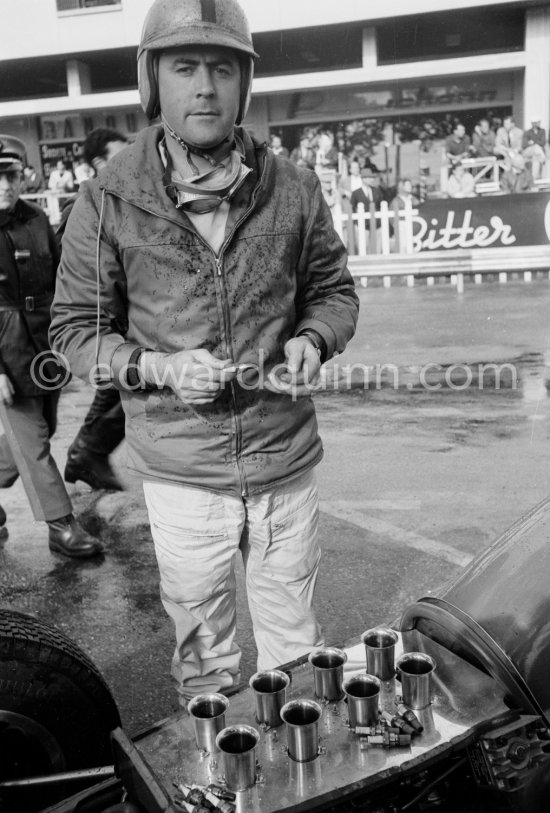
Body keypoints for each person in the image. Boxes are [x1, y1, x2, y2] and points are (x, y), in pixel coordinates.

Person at [50, 0, 359, 701]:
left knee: (298, 652)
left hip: (285, 465)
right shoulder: (108, 200)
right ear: (151, 78)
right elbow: (74, 333)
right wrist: (159, 367)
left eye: (223, 67)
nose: (204, 86)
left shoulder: (294, 188)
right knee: (205, 661)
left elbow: (335, 292)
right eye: (184, 66)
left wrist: (315, 338)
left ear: (245, 83)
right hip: (183, 475)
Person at [0, 134, 103, 558]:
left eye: (10, 175)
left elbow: (64, 277)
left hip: (44, 342)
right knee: (34, 439)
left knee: (39, 432)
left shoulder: (38, 219)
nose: (4, 185)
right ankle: (60, 526)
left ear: (22, 177)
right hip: (4, 348)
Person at [57, 128, 129, 491]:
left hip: (120, 320)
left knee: (112, 391)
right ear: (101, 163)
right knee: (133, 388)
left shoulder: (119, 199)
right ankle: (87, 451)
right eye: (124, 152)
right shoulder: (85, 206)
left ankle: (82, 455)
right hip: (104, 322)